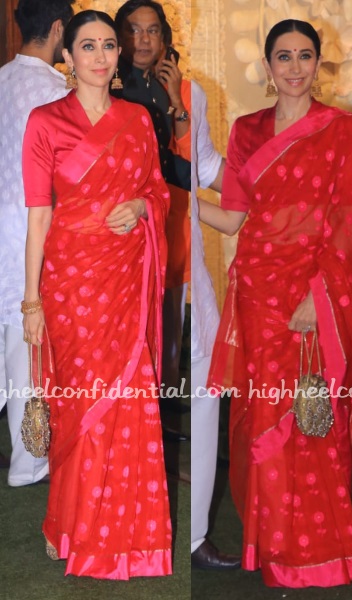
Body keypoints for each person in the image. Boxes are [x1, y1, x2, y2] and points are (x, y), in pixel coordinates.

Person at [200, 19, 352, 588]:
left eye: (306, 55)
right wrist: (175, 198)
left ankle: (321, 550)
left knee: (312, 418)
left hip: (312, 293)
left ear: (318, 62)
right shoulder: (247, 129)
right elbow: (233, 217)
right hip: (258, 293)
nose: (296, 67)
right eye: (285, 57)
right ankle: (275, 548)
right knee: (265, 419)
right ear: (268, 65)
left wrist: (318, 293)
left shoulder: (339, 129)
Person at [21, 9, 172, 578]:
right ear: (67, 55)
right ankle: (74, 528)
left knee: (127, 401)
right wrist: (31, 301)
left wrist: (141, 207)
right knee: (82, 406)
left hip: (125, 278)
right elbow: (39, 217)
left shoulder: (138, 119)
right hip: (71, 284)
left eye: (110, 44)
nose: (102, 56)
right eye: (88, 46)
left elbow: (157, 192)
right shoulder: (45, 122)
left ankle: (128, 538)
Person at [0, 0, 73, 488]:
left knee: (13, 346)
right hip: (32, 229)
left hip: (5, 225)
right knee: (29, 349)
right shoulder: (56, 92)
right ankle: (30, 462)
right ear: (58, 29)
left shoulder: (2, 79)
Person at [114, 0, 191, 420]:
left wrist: (176, 97)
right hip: (124, 218)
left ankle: (157, 401)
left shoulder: (163, 83)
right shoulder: (113, 85)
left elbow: (179, 147)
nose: (142, 40)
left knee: (164, 304)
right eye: (133, 30)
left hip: (160, 209)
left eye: (152, 31)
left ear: (164, 39)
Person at [189, 79, 240, 570]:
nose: (143, 43)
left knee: (206, 394)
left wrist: (274, 177)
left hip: (187, 278)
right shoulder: (103, 97)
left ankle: (194, 536)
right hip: (118, 276)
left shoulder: (190, 95)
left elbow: (206, 168)